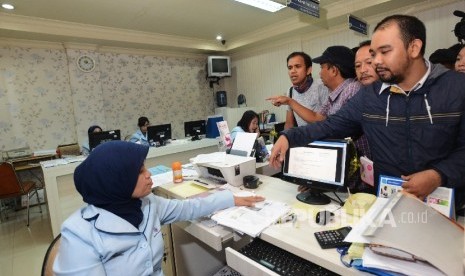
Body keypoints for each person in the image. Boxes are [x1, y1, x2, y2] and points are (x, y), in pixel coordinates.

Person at [270, 14, 465, 210]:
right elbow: (330, 125)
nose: (376, 61)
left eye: (385, 51)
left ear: (413, 48)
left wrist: (438, 175)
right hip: (389, 205)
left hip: (445, 208)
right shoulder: (370, 96)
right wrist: (289, 137)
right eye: (373, 54)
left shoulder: (457, 88)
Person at [53, 141, 264, 275]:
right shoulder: (79, 235)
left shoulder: (147, 204)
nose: (149, 175)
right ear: (116, 181)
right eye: (139, 171)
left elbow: (188, 208)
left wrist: (231, 199)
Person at [266, 52, 328, 129]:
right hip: (303, 138)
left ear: (308, 70)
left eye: (297, 66)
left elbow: (321, 120)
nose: (292, 71)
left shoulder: (322, 85)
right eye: (290, 68)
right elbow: (289, 124)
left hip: (322, 139)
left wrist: (290, 101)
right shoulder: (291, 91)